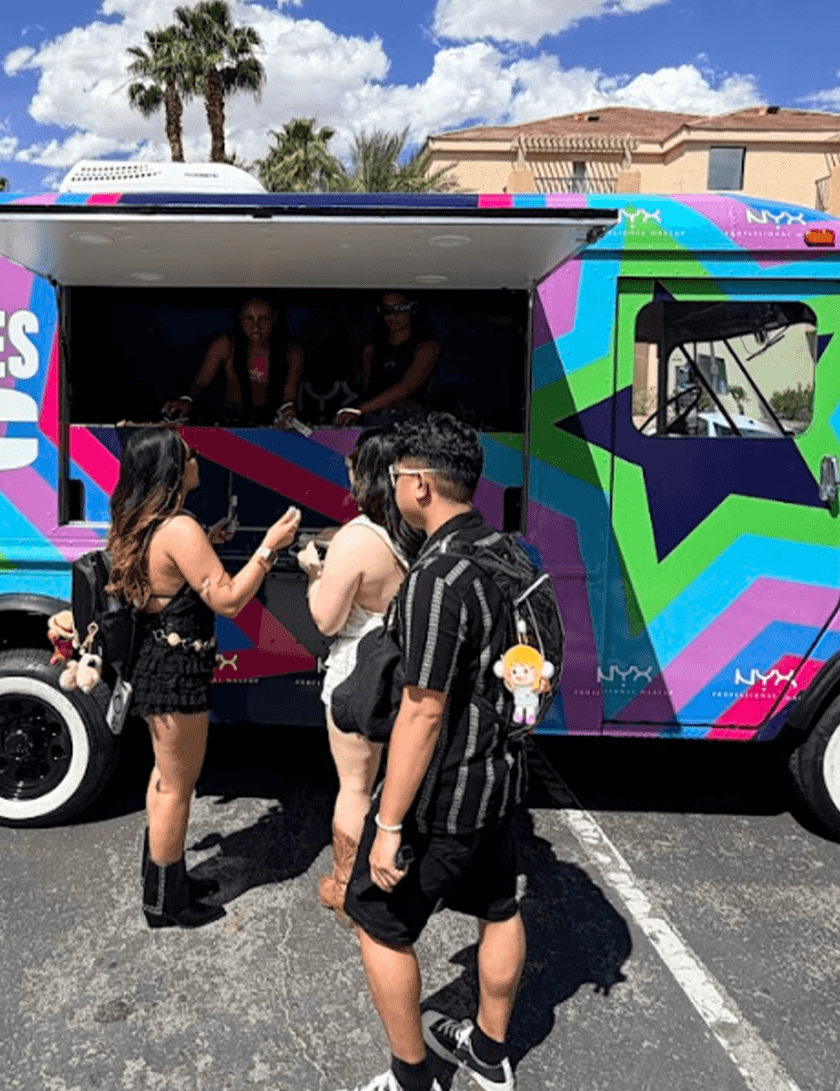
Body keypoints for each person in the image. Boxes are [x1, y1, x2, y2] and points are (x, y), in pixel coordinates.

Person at [336, 412, 525, 1091]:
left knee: (378, 920)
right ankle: (489, 1053)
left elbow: (423, 708)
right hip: (501, 773)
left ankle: (412, 1076)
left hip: (444, 791)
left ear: (419, 484)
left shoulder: (437, 577)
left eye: (395, 476)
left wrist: (388, 824)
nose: (392, 488)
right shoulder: (509, 551)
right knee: (499, 906)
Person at [105, 426, 301, 928]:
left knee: (163, 779)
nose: (197, 459)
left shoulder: (141, 521)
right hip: (179, 671)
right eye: (189, 454)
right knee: (178, 786)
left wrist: (207, 542)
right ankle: (166, 903)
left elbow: (168, 576)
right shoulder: (179, 528)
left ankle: (164, 879)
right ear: (172, 468)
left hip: (156, 662)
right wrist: (269, 547)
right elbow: (229, 600)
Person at [297, 427, 422, 925]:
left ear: (367, 474)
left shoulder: (355, 539)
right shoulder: (419, 530)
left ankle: (346, 889)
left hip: (360, 675)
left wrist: (314, 574)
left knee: (354, 786)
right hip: (410, 671)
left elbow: (326, 620)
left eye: (352, 468)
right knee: (397, 783)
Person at [166, 297, 304, 426]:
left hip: (270, 423)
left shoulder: (292, 351)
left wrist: (288, 412)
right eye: (249, 319)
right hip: (231, 421)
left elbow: (289, 397)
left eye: (263, 319)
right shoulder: (225, 345)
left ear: (275, 318)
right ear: (240, 319)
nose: (256, 327)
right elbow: (200, 383)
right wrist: (185, 401)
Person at [335, 293, 440, 426]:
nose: (392, 316)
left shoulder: (427, 346)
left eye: (398, 309)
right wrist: (360, 412)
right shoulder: (372, 348)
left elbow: (405, 387)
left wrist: (360, 409)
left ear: (413, 309)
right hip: (373, 417)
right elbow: (366, 390)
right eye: (386, 310)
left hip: (409, 421)